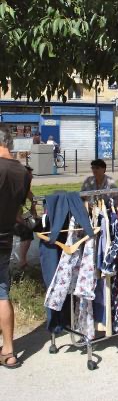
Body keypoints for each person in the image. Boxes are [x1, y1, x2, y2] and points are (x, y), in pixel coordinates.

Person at [0, 124, 31, 368]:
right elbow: (18, 211)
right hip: (5, 239)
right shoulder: (23, 173)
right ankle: (9, 351)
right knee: (1, 293)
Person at [13, 166, 40, 270]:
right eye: (29, 176)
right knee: (26, 232)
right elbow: (15, 215)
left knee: (41, 224)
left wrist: (33, 209)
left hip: (17, 217)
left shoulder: (24, 189)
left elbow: (33, 199)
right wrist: (24, 223)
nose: (32, 177)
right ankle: (22, 262)